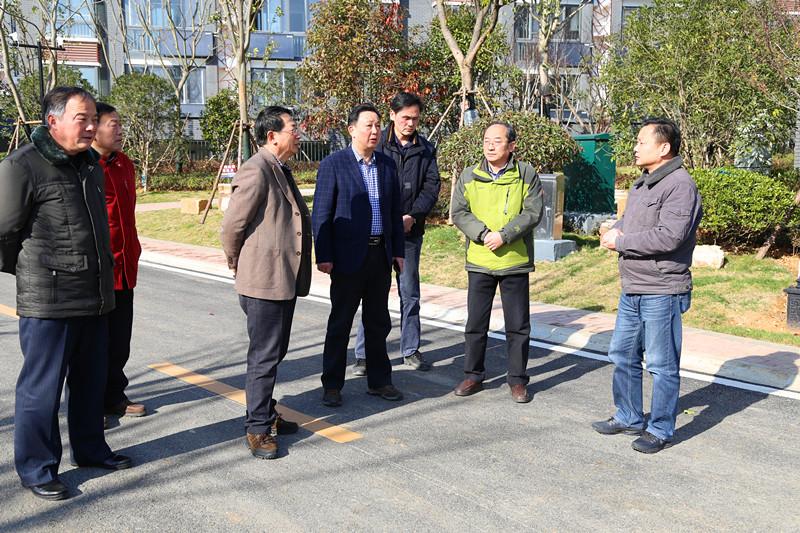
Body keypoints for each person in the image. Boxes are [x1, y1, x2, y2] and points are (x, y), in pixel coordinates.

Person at [0, 87, 131, 501]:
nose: (92, 127)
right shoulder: (23, 165)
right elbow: (4, 231)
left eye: (94, 119)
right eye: (83, 119)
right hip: (50, 299)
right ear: (53, 121)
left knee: (91, 382)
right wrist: (35, 271)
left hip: (95, 295)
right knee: (41, 390)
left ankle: (90, 449)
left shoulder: (90, 165)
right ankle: (37, 468)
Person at [592, 118, 702, 454]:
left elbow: (670, 237)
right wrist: (614, 229)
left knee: (661, 364)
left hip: (662, 288)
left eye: (642, 142)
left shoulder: (680, 185)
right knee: (622, 354)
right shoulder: (643, 183)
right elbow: (630, 222)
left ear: (664, 147)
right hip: (633, 286)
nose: (635, 147)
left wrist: (621, 242)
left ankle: (660, 429)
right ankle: (628, 415)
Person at [221, 106, 312, 460]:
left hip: (281, 278)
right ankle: (258, 428)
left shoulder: (279, 168)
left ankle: (265, 411)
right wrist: (238, 264)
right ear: (272, 135)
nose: (298, 133)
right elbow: (232, 227)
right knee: (263, 356)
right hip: (263, 280)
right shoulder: (256, 169)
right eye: (293, 128)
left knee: (274, 353)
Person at [312, 103, 405, 407]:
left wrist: (398, 251)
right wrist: (323, 255)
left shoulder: (387, 165)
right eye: (369, 125)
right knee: (340, 323)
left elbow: (394, 212)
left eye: (378, 125)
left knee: (378, 322)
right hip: (347, 258)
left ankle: (380, 381)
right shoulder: (334, 164)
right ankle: (332, 385)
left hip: (380, 256)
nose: (375, 131)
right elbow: (321, 213)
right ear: (352, 129)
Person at [451, 121, 543, 403]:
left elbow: (532, 212)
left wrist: (505, 235)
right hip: (480, 259)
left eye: (497, 141)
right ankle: (473, 375)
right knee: (476, 323)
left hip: (514, 259)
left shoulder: (525, 173)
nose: (490, 146)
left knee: (518, 325)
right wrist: (482, 234)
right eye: (486, 141)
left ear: (511, 145)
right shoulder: (469, 175)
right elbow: (459, 212)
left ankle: (517, 380)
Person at [352, 92, 440, 376]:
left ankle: (410, 349)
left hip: (409, 232)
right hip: (377, 233)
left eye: (415, 118)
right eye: (404, 118)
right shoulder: (377, 145)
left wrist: (412, 216)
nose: (410, 123)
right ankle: (364, 355)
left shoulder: (426, 149)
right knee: (371, 294)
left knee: (409, 293)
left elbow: (431, 188)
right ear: (392, 115)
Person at [91, 102, 146, 424]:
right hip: (98, 272)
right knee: (94, 344)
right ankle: (91, 405)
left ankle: (114, 396)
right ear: (94, 128)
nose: (120, 130)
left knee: (119, 340)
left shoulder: (125, 163)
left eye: (120, 123)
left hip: (125, 267)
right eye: (114, 124)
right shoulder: (85, 166)